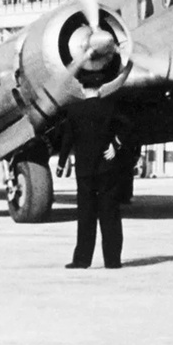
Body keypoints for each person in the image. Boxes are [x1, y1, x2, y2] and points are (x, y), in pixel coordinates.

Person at [65, 103, 127, 269]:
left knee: (85, 216)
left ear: (83, 89)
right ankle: (112, 260)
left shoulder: (74, 110)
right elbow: (128, 126)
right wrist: (116, 144)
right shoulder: (110, 108)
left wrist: (62, 162)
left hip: (84, 171)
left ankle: (82, 260)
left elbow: (68, 137)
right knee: (110, 214)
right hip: (106, 168)